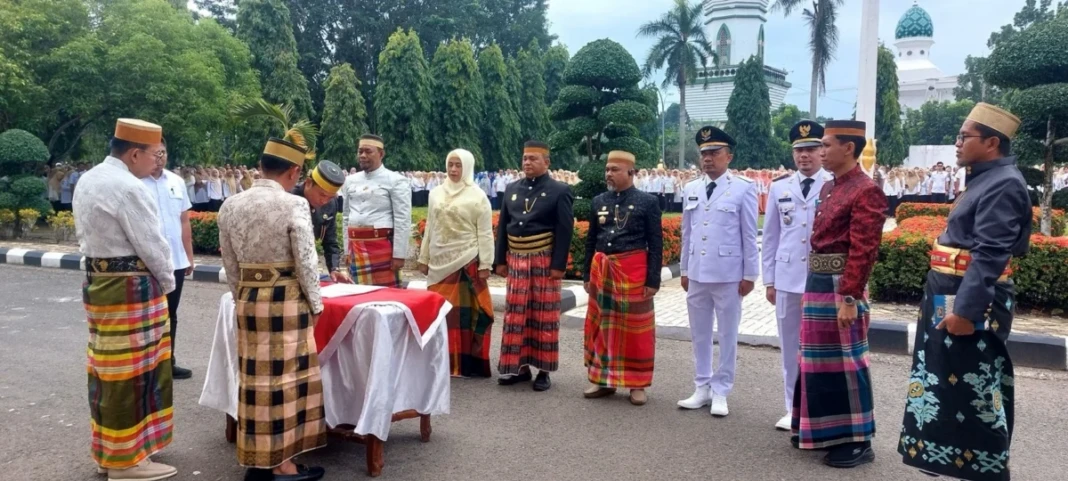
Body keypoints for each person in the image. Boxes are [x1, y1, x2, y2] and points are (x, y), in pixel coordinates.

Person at [899, 103, 1029, 481]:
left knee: (974, 384)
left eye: (963, 136)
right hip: (947, 293)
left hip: (966, 299)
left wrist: (967, 314)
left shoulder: (1004, 183)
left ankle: (987, 470)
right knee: (943, 373)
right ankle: (946, 460)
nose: (956, 144)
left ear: (991, 142)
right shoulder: (983, 177)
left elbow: (990, 255)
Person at [74, 119, 178, 480]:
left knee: (106, 369)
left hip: (98, 285)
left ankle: (109, 452)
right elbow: (153, 247)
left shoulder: (88, 179)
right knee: (136, 372)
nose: (157, 161)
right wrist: (167, 285)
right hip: (132, 289)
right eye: (154, 154)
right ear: (134, 153)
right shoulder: (129, 188)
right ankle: (129, 462)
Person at [217, 138, 327, 481]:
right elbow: (306, 262)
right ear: (294, 171)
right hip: (287, 301)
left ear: (261, 165)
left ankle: (257, 461)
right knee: (287, 383)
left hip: (250, 299)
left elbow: (229, 264)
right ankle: (283, 465)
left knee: (254, 382)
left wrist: (242, 296)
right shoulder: (293, 204)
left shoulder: (230, 205)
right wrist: (316, 303)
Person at [792, 120, 886, 468]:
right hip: (818, 281)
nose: (821, 152)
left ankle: (858, 440)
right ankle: (821, 431)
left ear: (849, 148)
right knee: (816, 361)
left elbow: (864, 249)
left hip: (840, 286)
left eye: (827, 145)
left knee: (847, 362)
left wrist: (850, 297)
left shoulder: (866, 190)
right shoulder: (830, 187)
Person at [677, 126, 759, 417]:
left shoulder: (743, 188)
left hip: (728, 274)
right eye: (704, 153)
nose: (708, 158)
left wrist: (750, 275)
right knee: (699, 333)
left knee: (727, 334)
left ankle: (721, 389)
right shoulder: (691, 188)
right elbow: (687, 233)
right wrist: (684, 269)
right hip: (698, 273)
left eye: (714, 153)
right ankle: (701, 386)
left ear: (729, 156)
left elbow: (749, 234)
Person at [761, 120, 830, 431]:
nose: (805, 155)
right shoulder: (780, 187)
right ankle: (792, 407)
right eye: (799, 150)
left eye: (811, 149)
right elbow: (771, 236)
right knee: (790, 346)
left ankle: (819, 408)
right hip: (787, 277)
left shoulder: (833, 183)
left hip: (822, 278)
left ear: (822, 151)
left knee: (822, 346)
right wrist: (770, 280)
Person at [581, 150, 662, 406]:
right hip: (603, 272)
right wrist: (586, 275)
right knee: (603, 326)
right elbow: (591, 240)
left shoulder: (647, 202)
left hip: (634, 272)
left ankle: (637, 384)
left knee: (636, 331)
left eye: (615, 169)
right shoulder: (598, 201)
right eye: (607, 169)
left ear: (631, 172)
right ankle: (602, 380)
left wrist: (653, 280)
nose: (609, 174)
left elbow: (655, 244)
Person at [495, 140, 574, 391]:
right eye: (525, 158)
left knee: (544, 316)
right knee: (515, 315)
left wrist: (558, 265)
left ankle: (543, 371)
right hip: (516, 260)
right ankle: (517, 368)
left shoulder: (559, 190)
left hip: (543, 259)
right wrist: (500, 260)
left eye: (533, 159)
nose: (527, 163)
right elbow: (503, 227)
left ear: (546, 162)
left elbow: (565, 230)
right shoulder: (511, 189)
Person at [418, 149, 496, 377]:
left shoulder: (477, 196)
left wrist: (485, 265)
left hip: (466, 262)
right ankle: (438, 363)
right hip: (438, 265)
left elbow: (485, 233)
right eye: (450, 164)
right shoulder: (435, 193)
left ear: (467, 167)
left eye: (458, 165)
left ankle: (461, 365)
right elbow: (430, 227)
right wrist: (423, 258)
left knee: (462, 317)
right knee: (438, 315)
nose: (453, 170)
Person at [141, 138, 195, 380]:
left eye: (162, 152)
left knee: (170, 313)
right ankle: (146, 365)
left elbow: (184, 221)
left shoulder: (176, 182)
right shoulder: (134, 183)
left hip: (175, 261)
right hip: (146, 262)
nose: (159, 158)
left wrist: (188, 255)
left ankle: (167, 362)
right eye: (155, 153)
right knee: (146, 314)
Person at [340, 134, 411, 287]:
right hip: (355, 247)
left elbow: (402, 219)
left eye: (368, 151)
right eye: (360, 152)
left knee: (385, 298)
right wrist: (346, 250)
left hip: (382, 248)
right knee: (357, 297)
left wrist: (399, 254)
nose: (363, 156)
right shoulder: (350, 181)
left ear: (381, 154)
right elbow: (346, 216)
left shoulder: (396, 180)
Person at [293, 160, 350, 282]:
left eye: (331, 197)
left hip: (309, 269)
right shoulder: (289, 198)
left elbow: (330, 241)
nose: (325, 201)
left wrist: (334, 268)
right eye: (322, 195)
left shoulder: (330, 204)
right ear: (308, 183)